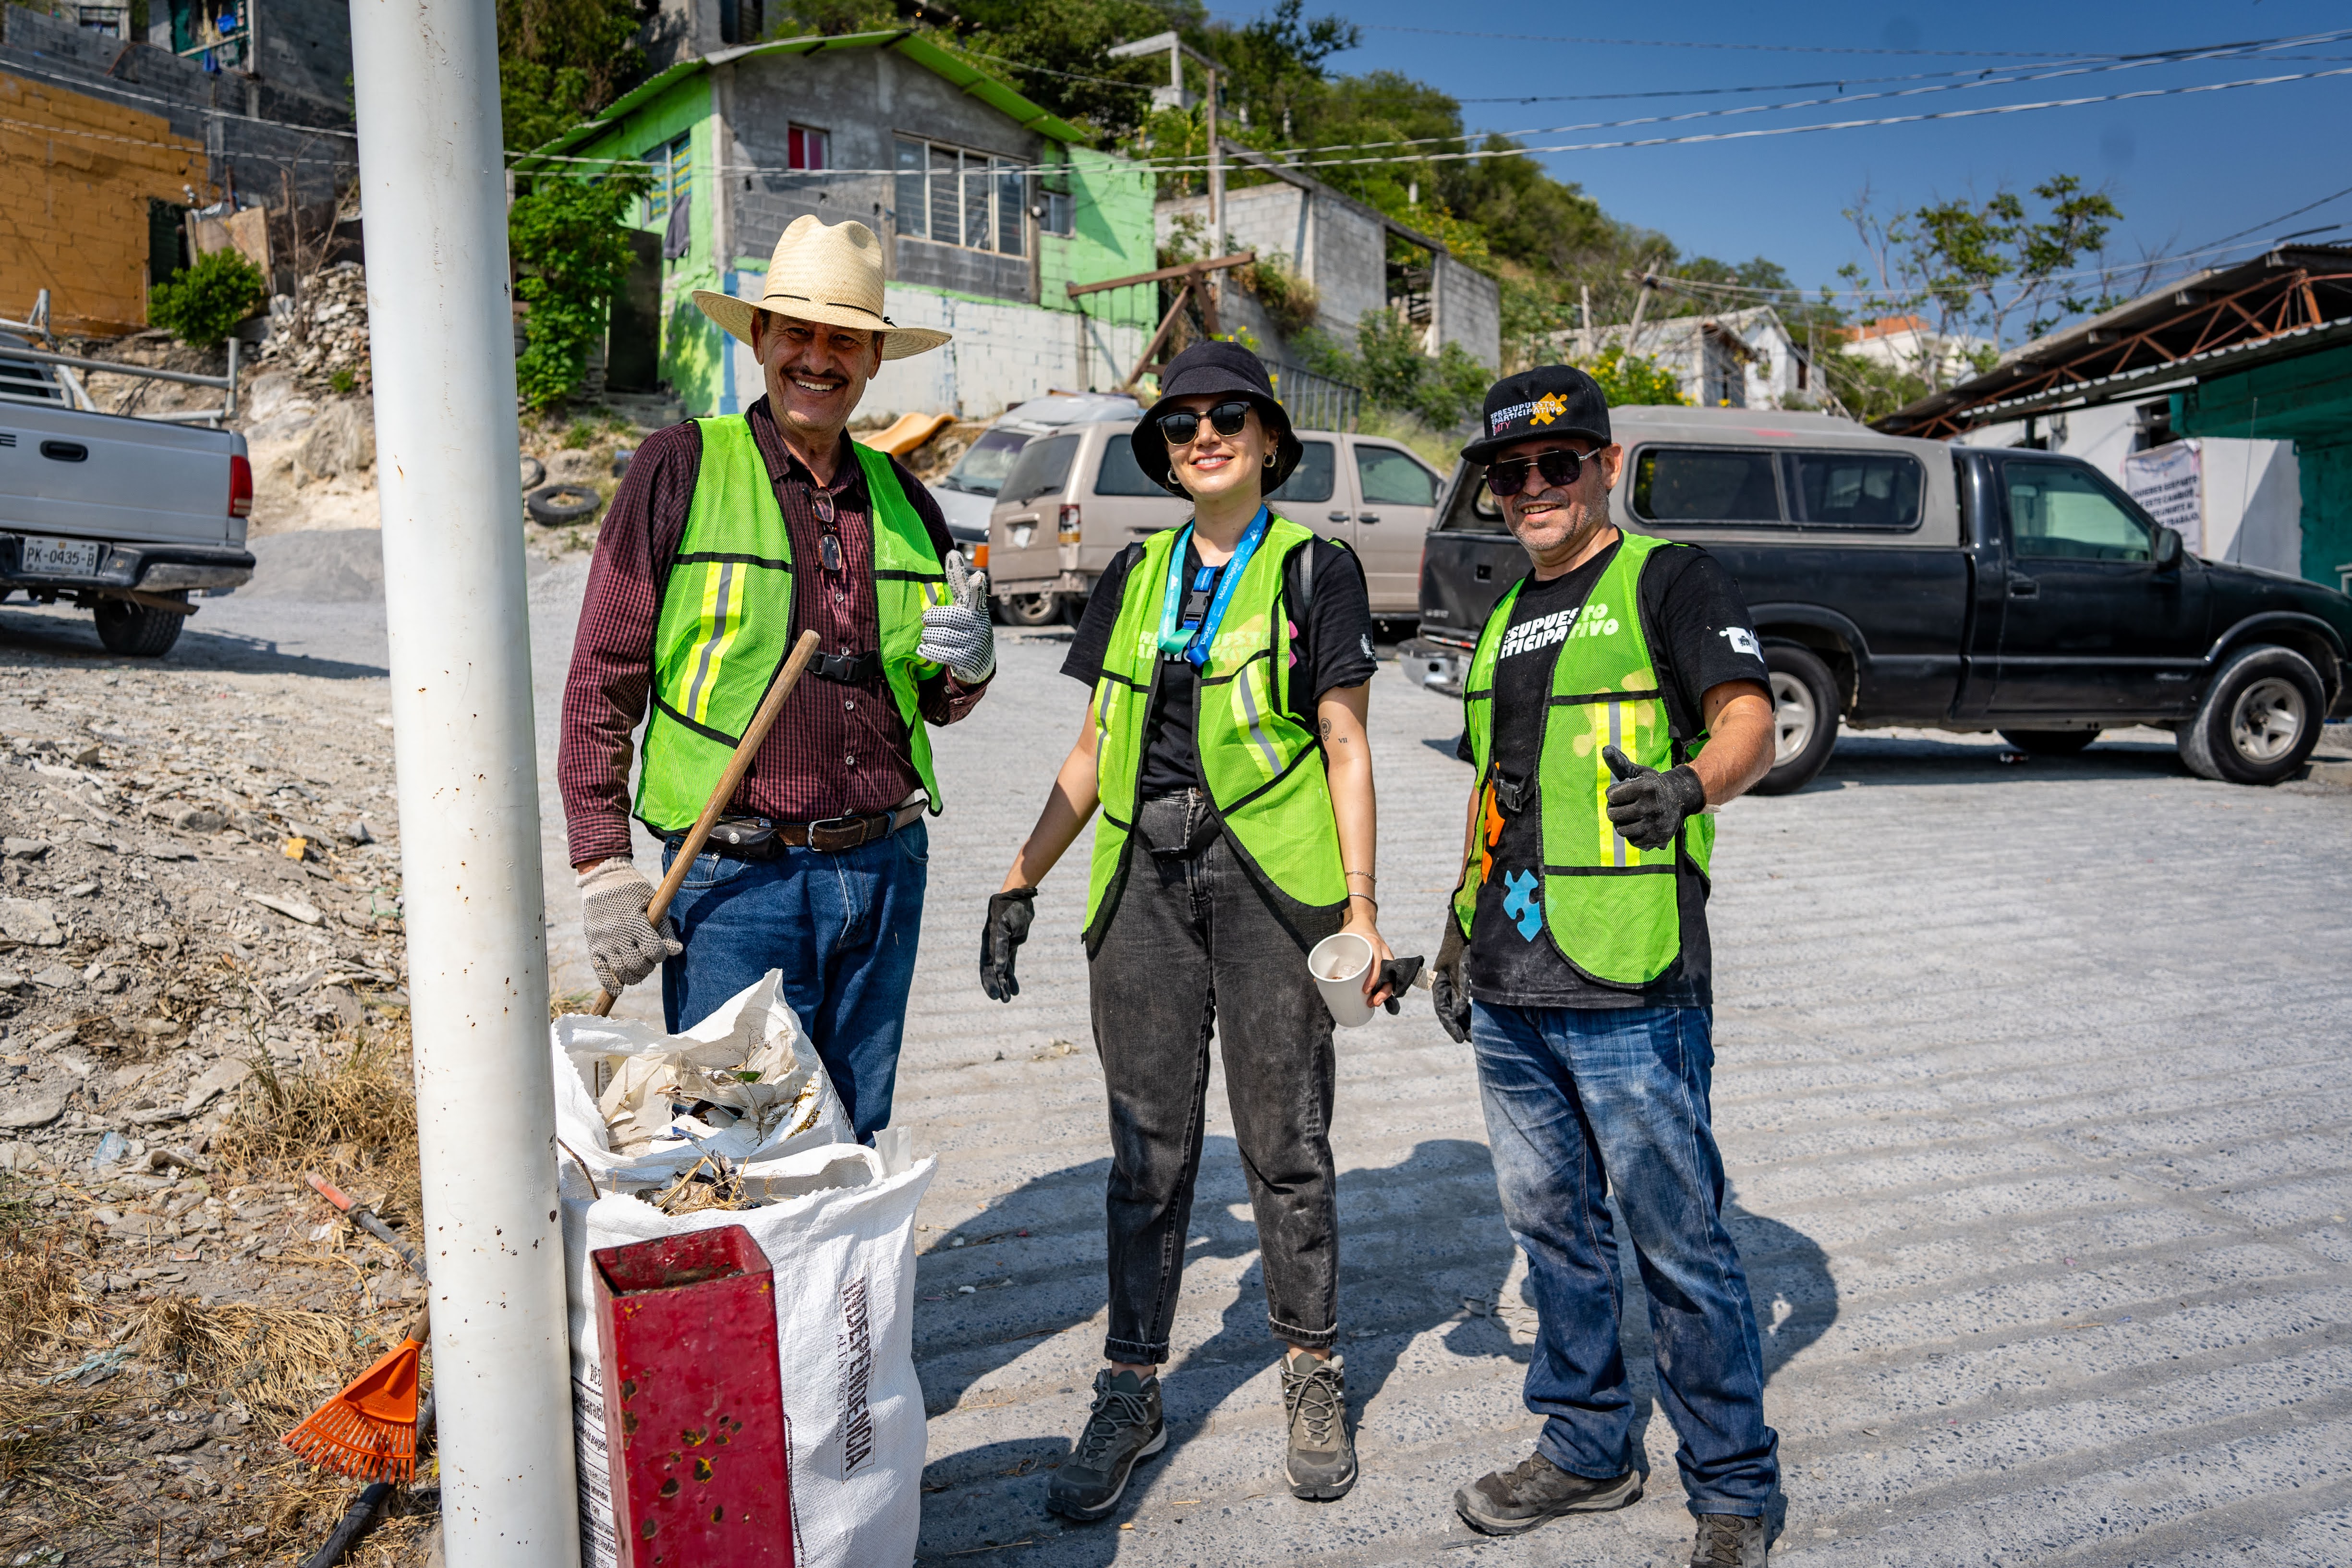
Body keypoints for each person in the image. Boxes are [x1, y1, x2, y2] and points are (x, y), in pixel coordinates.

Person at [978, 341, 1399, 1522]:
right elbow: (1092, 748)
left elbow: (1346, 744)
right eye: (1178, 424)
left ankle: (1311, 1365)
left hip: (1268, 881)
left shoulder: (1315, 569)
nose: (1201, 436)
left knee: (1285, 1139)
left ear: (1268, 440)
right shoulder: (1133, 571)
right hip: (1143, 884)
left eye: (1226, 417)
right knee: (1145, 1151)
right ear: (1162, 454)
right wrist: (1017, 879)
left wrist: (1362, 909)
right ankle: (1131, 1388)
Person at [1429, 367, 1783, 1568]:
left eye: (1556, 463)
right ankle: (1585, 1448)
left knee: (1677, 1238)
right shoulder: (1501, 615)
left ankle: (1731, 1484)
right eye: (1508, 473)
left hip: (1632, 977)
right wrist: (1456, 924)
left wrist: (1690, 785)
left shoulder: (1669, 578)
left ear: (1606, 466)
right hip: (1510, 979)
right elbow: (1495, 789)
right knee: (1552, 1234)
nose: (1532, 487)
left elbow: (1748, 720)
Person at [558, 214, 994, 1143]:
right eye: (797, 332)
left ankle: (840, 1247)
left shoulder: (906, 498)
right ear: (759, 337)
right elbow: (603, 674)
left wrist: (973, 663)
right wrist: (603, 866)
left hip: (883, 870)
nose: (817, 359)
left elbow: (936, 699)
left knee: (848, 1135)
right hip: (732, 883)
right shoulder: (680, 466)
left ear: (874, 358)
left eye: (845, 340)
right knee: (731, 1140)